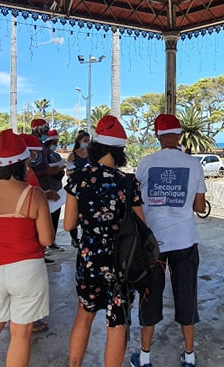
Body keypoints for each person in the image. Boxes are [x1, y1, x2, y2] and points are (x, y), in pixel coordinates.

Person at [0, 129, 53, 367]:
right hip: (27, 270)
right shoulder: (33, 194)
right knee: (20, 334)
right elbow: (46, 239)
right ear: (24, 163)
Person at [63, 115, 145, 367]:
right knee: (116, 324)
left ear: (96, 148)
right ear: (119, 151)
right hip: (119, 262)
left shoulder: (78, 178)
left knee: (84, 316)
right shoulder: (127, 182)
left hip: (88, 260)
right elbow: (142, 226)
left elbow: (68, 225)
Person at [131, 114, 207, 367]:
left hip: (153, 242)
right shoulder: (194, 165)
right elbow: (199, 205)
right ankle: (189, 356)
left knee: (149, 295)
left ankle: (144, 357)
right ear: (180, 135)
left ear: (156, 135)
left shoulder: (146, 163)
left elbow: (136, 200)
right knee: (187, 295)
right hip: (185, 240)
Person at [31, 123, 67, 250]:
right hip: (39, 189)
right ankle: (41, 245)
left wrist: (59, 171)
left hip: (52, 188)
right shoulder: (36, 148)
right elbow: (33, 171)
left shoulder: (52, 154)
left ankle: (50, 241)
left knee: (54, 216)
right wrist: (47, 172)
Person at [65, 130, 91, 247]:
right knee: (73, 212)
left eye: (88, 141)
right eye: (85, 141)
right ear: (79, 141)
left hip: (88, 187)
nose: (87, 143)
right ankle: (74, 238)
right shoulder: (73, 155)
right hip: (75, 186)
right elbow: (68, 172)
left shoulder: (90, 155)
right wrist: (77, 172)